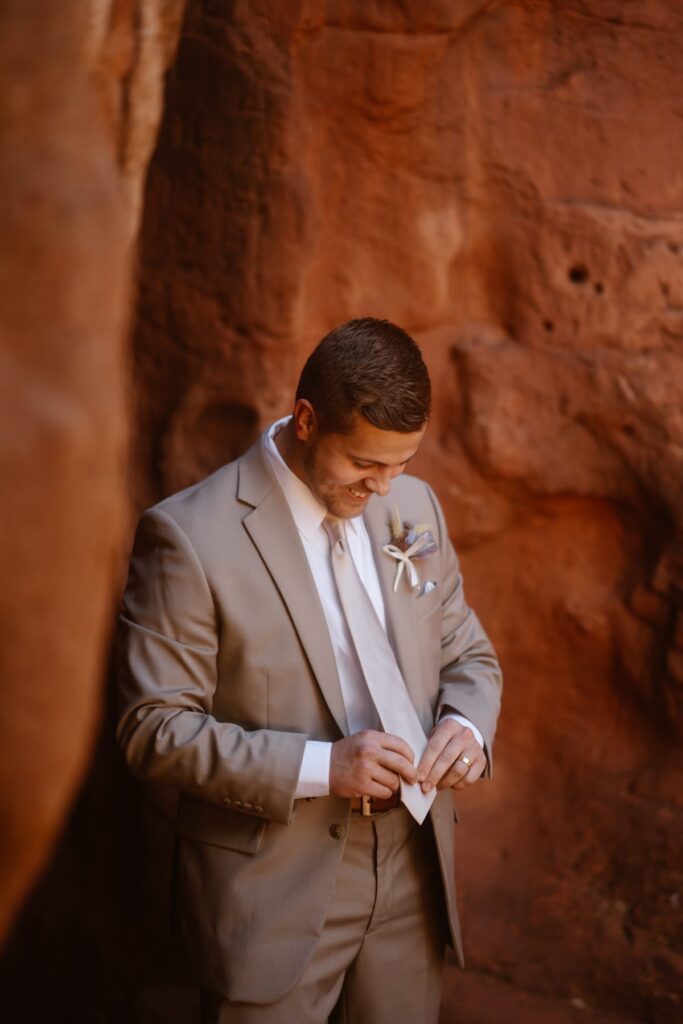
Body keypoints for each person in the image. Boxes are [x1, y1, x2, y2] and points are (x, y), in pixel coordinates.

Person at [117, 317, 502, 1024]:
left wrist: (467, 727)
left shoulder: (412, 507)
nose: (385, 488)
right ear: (304, 420)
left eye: (401, 464)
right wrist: (326, 768)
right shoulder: (188, 537)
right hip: (272, 888)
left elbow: (468, 655)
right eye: (364, 464)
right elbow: (152, 730)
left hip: (413, 866)